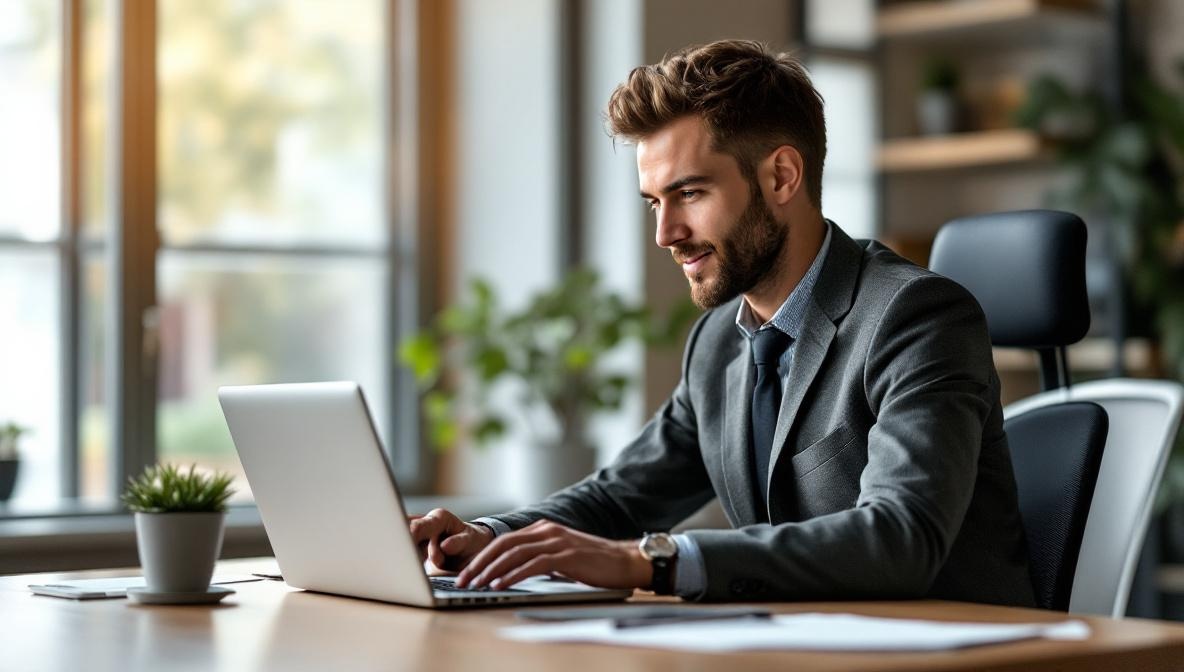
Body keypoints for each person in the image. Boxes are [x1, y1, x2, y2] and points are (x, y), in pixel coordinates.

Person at [409, 39, 1035, 606]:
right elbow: (619, 497)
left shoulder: (915, 317)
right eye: (655, 202)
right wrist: (486, 535)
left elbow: (900, 538)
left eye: (690, 193)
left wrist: (651, 561)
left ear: (781, 176)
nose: (665, 234)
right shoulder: (718, 343)